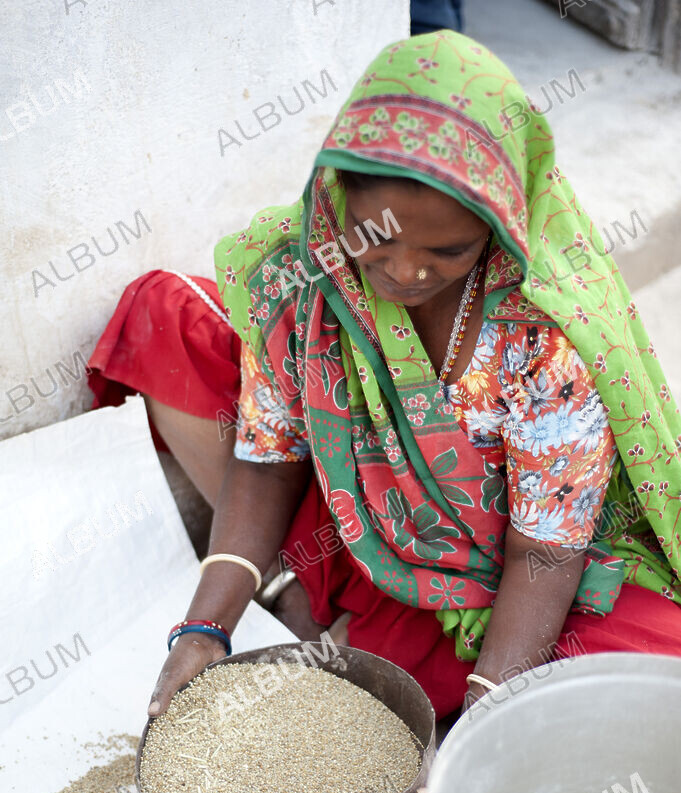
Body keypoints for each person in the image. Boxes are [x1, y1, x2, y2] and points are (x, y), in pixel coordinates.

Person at [87, 30, 681, 722]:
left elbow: (544, 550)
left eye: (447, 249)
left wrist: (488, 709)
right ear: (337, 199)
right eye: (376, 240)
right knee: (168, 316)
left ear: (500, 226)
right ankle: (297, 582)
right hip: (376, 529)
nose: (405, 274)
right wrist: (204, 626)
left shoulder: (538, 335)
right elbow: (266, 461)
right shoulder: (305, 282)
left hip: (529, 571)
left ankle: (401, 634)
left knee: (637, 698)